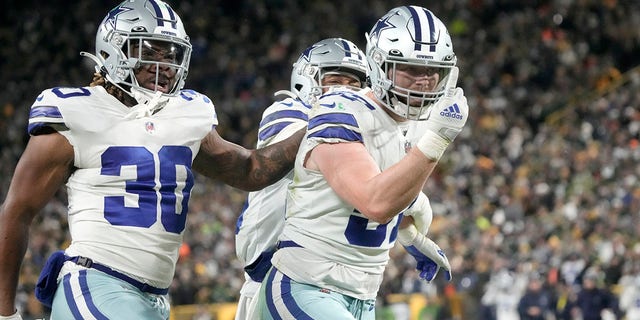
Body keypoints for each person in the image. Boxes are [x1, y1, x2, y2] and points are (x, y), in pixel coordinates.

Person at [0, 0, 303, 319]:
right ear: (113, 52)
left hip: (152, 299)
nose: (166, 64)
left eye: (171, 54)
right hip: (94, 282)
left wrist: (317, 125)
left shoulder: (187, 116)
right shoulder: (76, 113)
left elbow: (250, 170)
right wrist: (5, 311)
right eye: (152, 51)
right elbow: (16, 212)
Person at [257, 5, 468, 319]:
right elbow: (374, 201)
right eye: (410, 68)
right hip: (304, 287)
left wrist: (407, 234)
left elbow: (381, 193)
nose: (424, 81)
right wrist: (436, 140)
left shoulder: (412, 126)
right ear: (380, 65)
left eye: (432, 70)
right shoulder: (339, 108)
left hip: (361, 298)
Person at [234, 37, 369, 320]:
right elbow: (308, 142)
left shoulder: (365, 131)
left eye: (353, 85)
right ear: (305, 82)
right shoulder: (288, 112)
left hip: (331, 284)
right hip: (273, 278)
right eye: (335, 81)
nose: (344, 92)